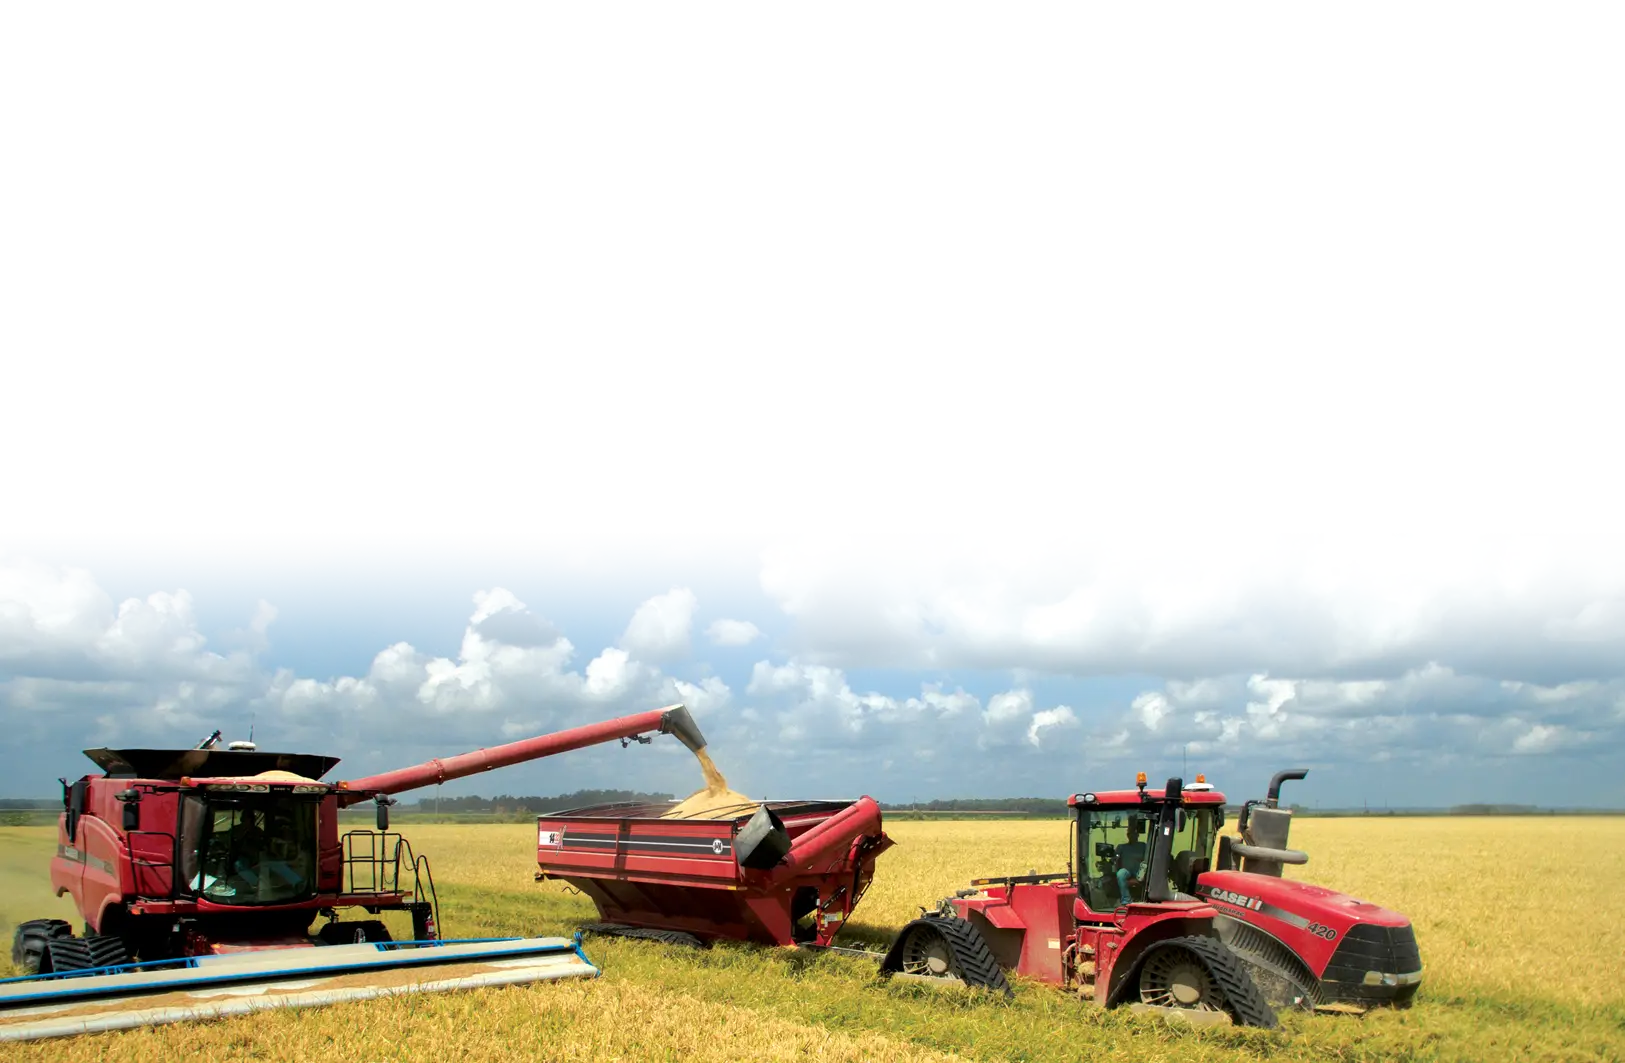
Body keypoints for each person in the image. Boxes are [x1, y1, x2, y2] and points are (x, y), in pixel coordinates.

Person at [1115, 819, 1148, 906]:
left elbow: (1147, 860)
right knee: (1120, 874)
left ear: (1137, 835)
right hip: (1127, 871)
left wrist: (1140, 877)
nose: (1131, 836)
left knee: (1143, 873)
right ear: (1127, 835)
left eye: (1134, 833)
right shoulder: (1121, 847)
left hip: (1139, 871)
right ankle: (1126, 900)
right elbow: (1115, 859)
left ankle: (1146, 898)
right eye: (1129, 834)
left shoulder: (1143, 846)